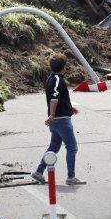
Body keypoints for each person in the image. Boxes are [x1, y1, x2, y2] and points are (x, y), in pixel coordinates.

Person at [31, 53, 87, 186]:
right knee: (72, 148)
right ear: (63, 67)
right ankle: (71, 177)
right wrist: (52, 115)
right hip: (61, 120)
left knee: (54, 147)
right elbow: (54, 98)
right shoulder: (57, 80)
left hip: (57, 119)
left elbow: (58, 99)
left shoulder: (50, 79)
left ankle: (39, 172)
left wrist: (69, 108)